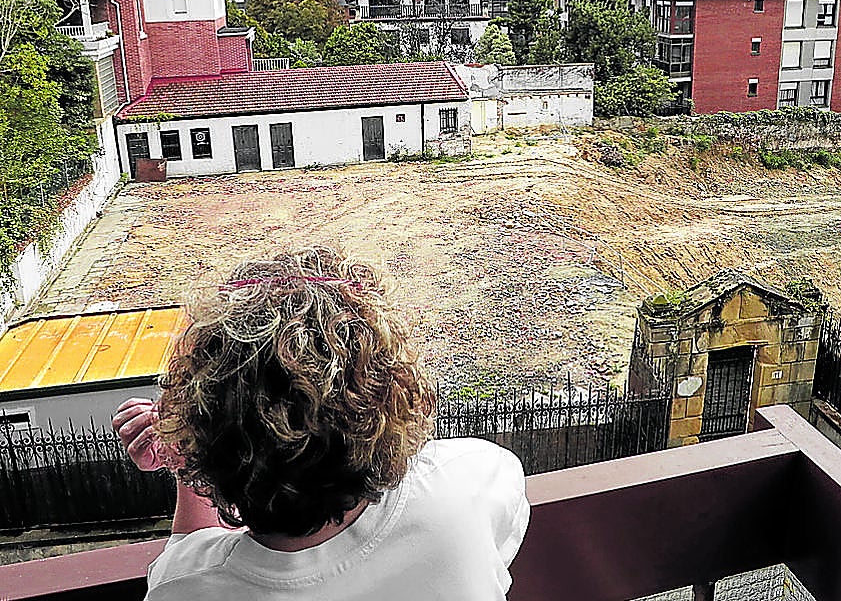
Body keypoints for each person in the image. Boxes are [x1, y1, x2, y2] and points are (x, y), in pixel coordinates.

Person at [113, 247, 529, 600]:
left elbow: (190, 552)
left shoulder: (185, 588)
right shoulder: (470, 480)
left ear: (206, 444)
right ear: (392, 395)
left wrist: (186, 454)